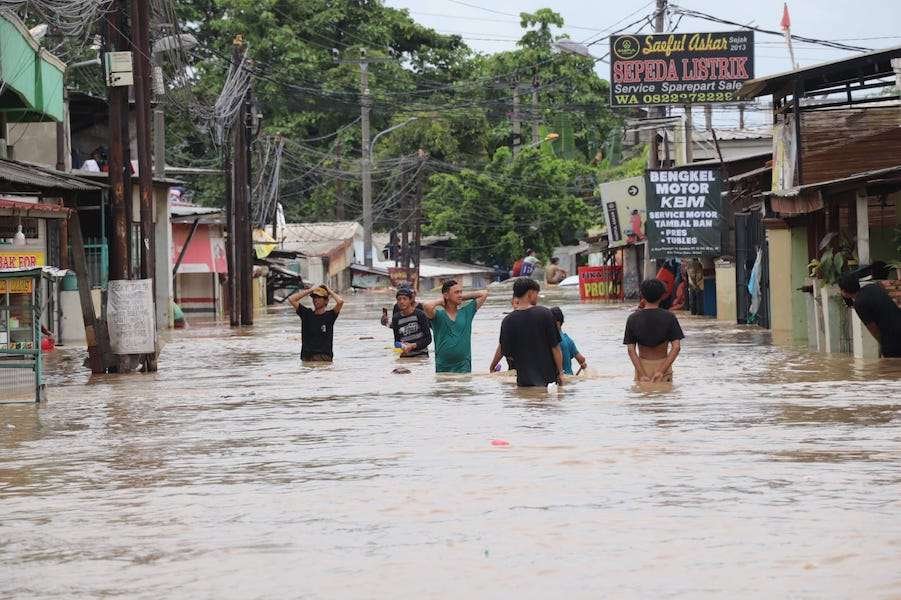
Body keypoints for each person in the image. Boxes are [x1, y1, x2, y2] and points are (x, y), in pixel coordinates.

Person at [492, 278, 563, 388]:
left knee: (526, 399)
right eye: (536, 294)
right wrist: (561, 373)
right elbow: (555, 348)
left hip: (523, 382)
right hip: (548, 382)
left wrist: (493, 365)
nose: (537, 297)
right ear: (530, 293)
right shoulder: (545, 314)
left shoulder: (508, 321)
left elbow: (504, 350)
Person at [624, 278, 684, 382]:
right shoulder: (670, 317)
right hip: (664, 367)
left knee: (642, 391)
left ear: (642, 295)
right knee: (664, 391)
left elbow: (631, 350)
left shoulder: (632, 319)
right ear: (662, 296)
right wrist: (661, 371)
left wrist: (642, 374)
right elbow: (676, 347)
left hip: (642, 367)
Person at [422, 279, 488, 373]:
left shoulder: (467, 312)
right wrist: (441, 300)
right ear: (446, 295)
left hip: (464, 366)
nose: (460, 294)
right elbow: (426, 306)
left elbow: (484, 293)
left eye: (461, 292)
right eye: (456, 292)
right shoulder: (438, 315)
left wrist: (460, 297)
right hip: (443, 367)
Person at [838, 273, 901, 358]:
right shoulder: (872, 287)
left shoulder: (859, 303)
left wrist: (883, 344)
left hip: (892, 339)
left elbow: (873, 329)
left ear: (844, 291)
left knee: (892, 365)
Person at [288, 284, 344, 362]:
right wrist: (310, 290)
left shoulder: (330, 316)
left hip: (323, 358)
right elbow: (291, 299)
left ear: (326, 301)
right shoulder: (307, 314)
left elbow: (340, 302)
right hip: (307, 358)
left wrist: (329, 290)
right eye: (314, 297)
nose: (315, 300)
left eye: (319, 297)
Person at [390, 287, 432, 358]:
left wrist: (412, 346)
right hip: (404, 356)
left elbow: (428, 339)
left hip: (421, 355)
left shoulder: (420, 314)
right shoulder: (396, 318)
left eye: (404, 299)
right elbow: (397, 341)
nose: (401, 302)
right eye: (399, 299)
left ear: (410, 300)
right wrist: (400, 347)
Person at [550, 307, 587, 376]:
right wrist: (583, 364)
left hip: (560, 378)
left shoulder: (553, 340)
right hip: (569, 378)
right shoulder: (568, 339)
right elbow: (581, 359)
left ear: (557, 323)